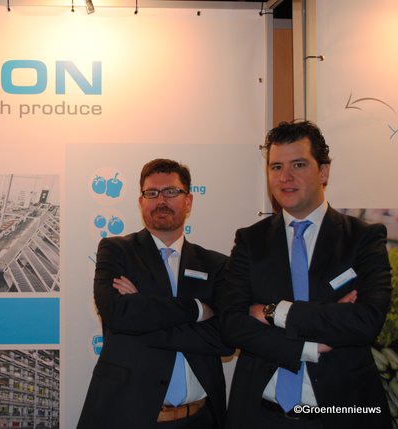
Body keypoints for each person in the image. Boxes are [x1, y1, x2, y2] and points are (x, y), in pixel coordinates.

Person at [219, 121, 392, 428]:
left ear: (323, 172)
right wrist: (308, 346)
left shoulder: (363, 238)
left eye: (298, 164)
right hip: (261, 415)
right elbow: (232, 324)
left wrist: (274, 312)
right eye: (276, 167)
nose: (285, 177)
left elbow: (366, 322)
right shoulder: (250, 240)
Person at [78, 159, 233, 429]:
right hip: (126, 417)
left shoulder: (216, 265)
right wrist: (196, 309)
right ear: (141, 202)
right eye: (152, 193)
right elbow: (118, 315)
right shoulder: (116, 251)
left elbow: (225, 339)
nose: (161, 200)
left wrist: (141, 312)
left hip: (201, 419)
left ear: (188, 201)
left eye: (171, 191)